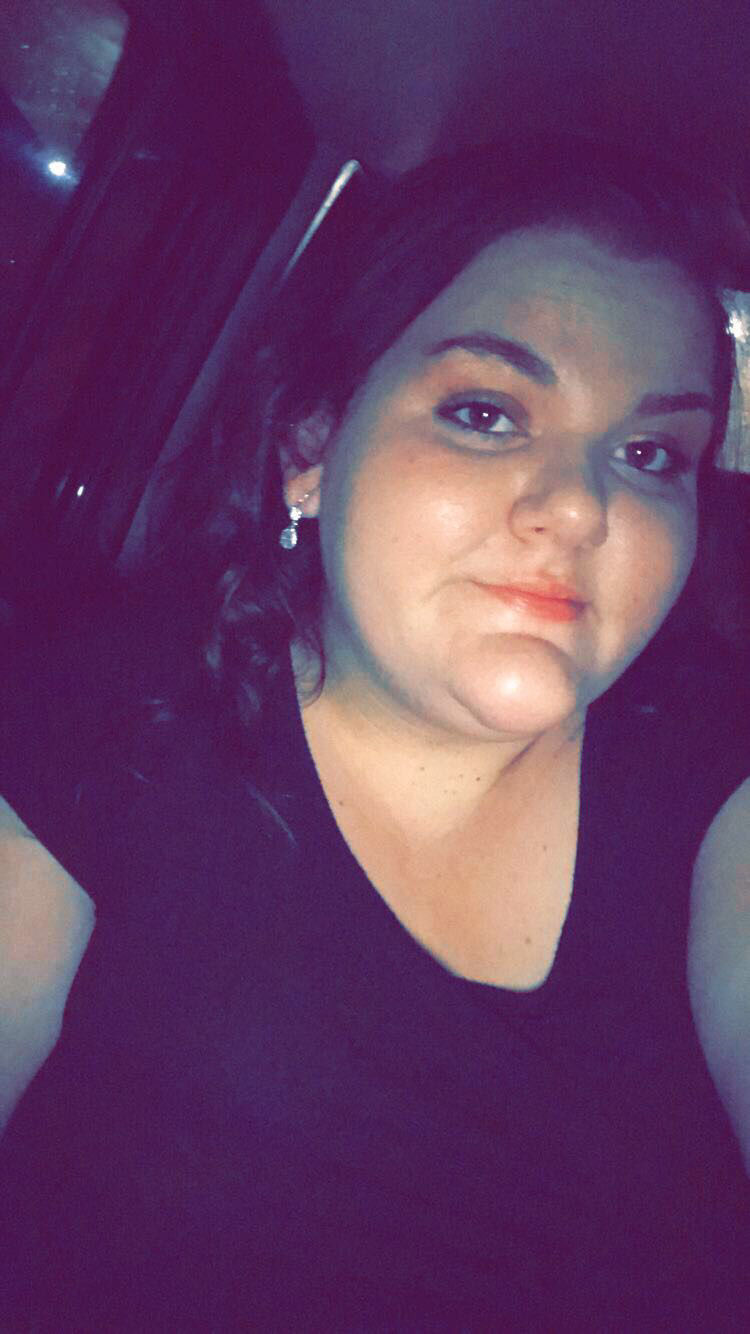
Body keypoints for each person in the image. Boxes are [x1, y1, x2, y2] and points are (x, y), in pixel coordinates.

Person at [0, 132, 749, 1330]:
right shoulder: (111, 715)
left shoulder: (711, 754)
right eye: (486, 412)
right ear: (311, 447)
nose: (579, 505)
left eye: (652, 453)